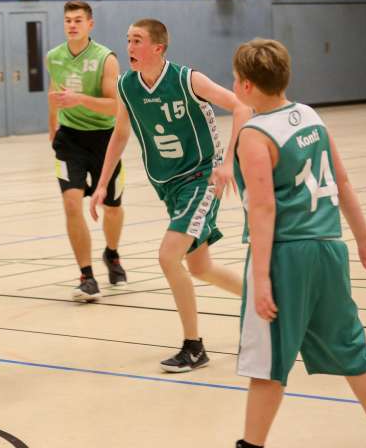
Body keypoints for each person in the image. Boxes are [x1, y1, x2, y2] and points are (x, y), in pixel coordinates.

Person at [230, 39, 366, 448]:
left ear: (246, 85)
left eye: (236, 78)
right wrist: (363, 236)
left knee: (268, 365)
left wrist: (261, 278)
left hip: (286, 255)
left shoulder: (255, 134)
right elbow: (342, 180)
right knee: (354, 354)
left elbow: (263, 209)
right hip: (329, 247)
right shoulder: (309, 115)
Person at [90, 18, 249, 372]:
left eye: (137, 41)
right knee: (200, 266)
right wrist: (101, 184)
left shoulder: (187, 79)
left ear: (158, 48)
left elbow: (241, 106)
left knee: (167, 256)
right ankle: (270, 303)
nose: (129, 47)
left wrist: (229, 163)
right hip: (168, 185)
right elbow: (120, 133)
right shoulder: (127, 85)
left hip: (201, 176)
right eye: (128, 40)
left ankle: (194, 347)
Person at [47, 1, 126, 300]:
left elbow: (114, 106)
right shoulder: (54, 56)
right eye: (68, 20)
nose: (72, 25)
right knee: (71, 204)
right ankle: (87, 276)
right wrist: (53, 126)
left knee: (112, 208)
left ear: (90, 24)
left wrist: (80, 99)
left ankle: (112, 254)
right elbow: (54, 93)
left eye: (78, 20)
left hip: (105, 140)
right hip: (70, 140)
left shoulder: (106, 59)